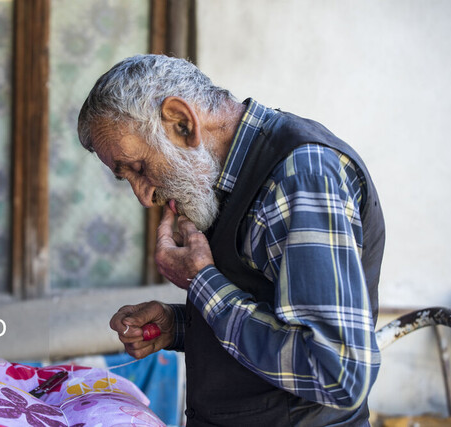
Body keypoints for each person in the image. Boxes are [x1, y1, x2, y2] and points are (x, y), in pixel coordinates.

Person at [77, 54, 385, 426]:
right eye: (126, 177)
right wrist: (180, 325)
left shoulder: (302, 177)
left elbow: (336, 372)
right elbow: (268, 312)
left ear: (182, 122)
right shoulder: (220, 175)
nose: (144, 197)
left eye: (139, 168)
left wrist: (202, 284)